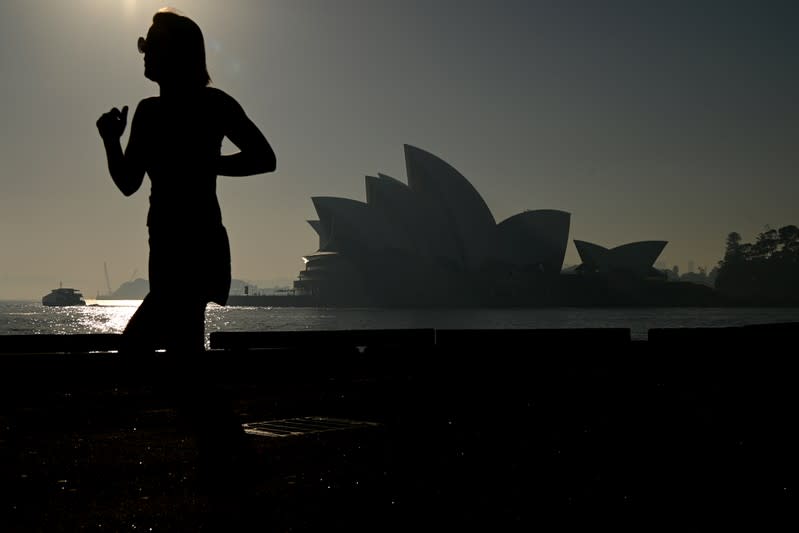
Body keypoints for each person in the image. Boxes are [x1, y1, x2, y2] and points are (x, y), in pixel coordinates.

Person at [96, 8, 276, 353]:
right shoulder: (147, 112)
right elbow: (128, 182)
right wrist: (110, 141)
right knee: (185, 348)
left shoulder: (213, 104)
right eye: (143, 45)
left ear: (177, 52)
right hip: (163, 246)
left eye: (151, 45)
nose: (145, 52)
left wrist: (207, 164)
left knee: (138, 347)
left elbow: (265, 159)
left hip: (198, 245)